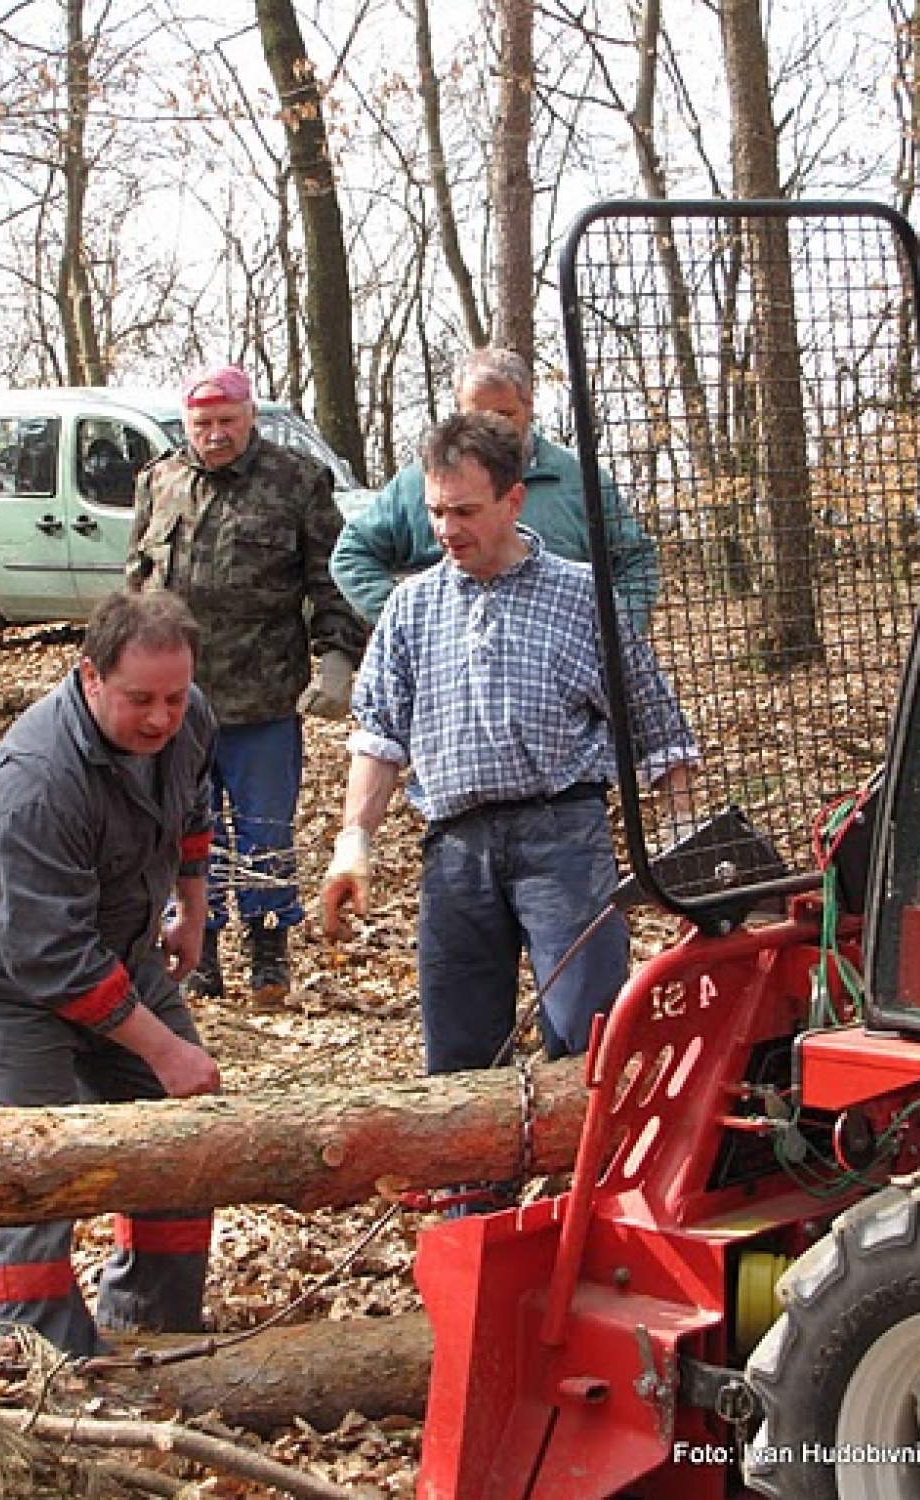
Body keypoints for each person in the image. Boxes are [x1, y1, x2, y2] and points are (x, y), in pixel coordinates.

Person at [322, 411, 698, 1094]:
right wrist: (354, 843)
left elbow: (658, 730)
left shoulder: (584, 598)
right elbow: (378, 737)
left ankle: (588, 1161)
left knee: (587, 1044)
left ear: (513, 500)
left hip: (563, 844)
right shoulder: (410, 609)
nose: (446, 529)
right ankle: (476, 1169)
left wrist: (683, 844)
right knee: (459, 1063)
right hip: (454, 853)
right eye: (436, 511)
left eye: (465, 510)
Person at [0, 591, 220, 1357]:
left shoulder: (188, 716)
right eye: (140, 700)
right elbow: (50, 955)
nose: (161, 718)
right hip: (4, 970)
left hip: (114, 941)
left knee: (185, 1129)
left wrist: (191, 907)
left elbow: (192, 804)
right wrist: (163, 1049)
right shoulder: (40, 774)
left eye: (174, 696)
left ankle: (154, 1327)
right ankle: (42, 1365)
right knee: (33, 1164)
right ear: (90, 676)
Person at [127, 363, 367, 1007]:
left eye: (227, 421)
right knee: (183, 830)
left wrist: (337, 657)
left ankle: (267, 952)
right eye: (202, 423)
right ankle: (197, 950)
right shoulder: (159, 482)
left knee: (264, 832)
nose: (215, 434)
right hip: (175, 706)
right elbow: (136, 584)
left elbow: (331, 579)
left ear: (250, 417)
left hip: (264, 698)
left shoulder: (297, 481)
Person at [329, 345, 659, 632]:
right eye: (477, 415)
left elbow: (635, 560)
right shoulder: (421, 483)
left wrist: (612, 636)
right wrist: (409, 623)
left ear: (529, 405)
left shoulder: (579, 479)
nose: (491, 426)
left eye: (504, 413)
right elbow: (352, 554)